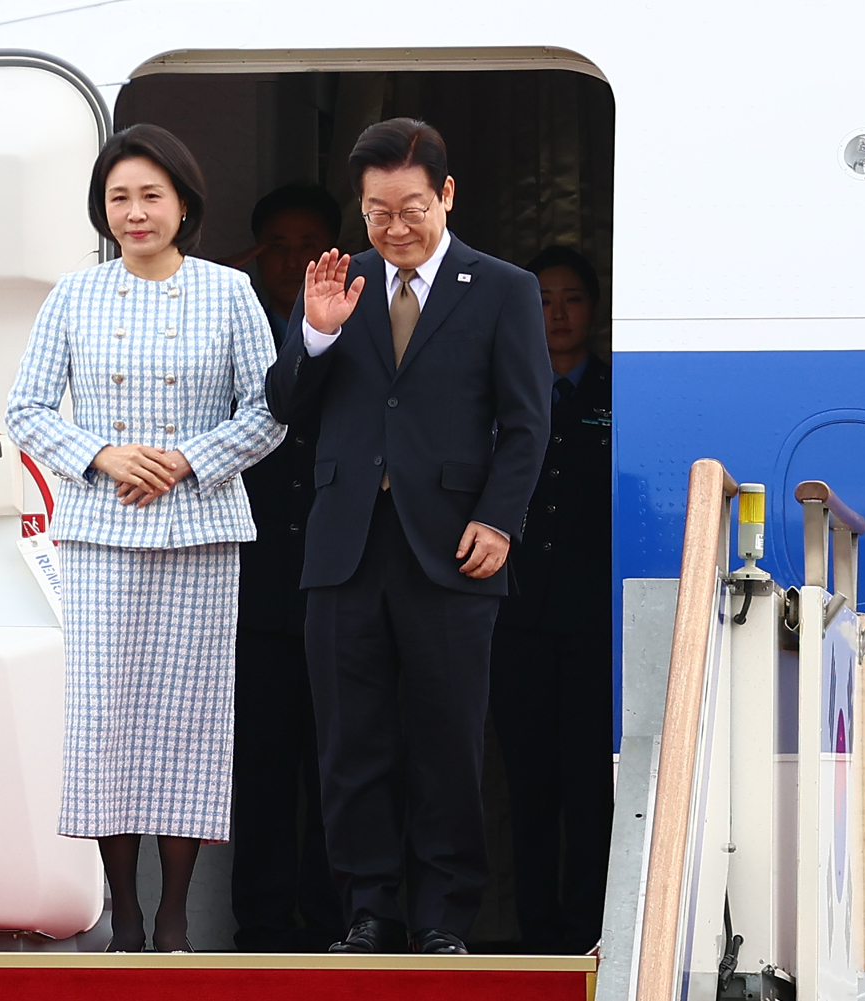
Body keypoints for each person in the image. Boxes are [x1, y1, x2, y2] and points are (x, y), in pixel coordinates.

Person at [265, 117, 550, 955]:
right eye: (378, 211)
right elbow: (286, 407)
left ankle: (442, 915)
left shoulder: (501, 287)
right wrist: (314, 332)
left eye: (412, 208)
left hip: (455, 542)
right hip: (346, 544)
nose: (394, 227)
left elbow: (526, 424)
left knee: (447, 738)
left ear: (447, 195)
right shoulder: (335, 281)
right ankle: (368, 908)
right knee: (351, 739)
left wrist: (500, 518)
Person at [5, 123, 284, 953]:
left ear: (185, 203)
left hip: (200, 535)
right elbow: (24, 407)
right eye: (119, 197)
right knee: (106, 721)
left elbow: (267, 410)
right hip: (102, 535)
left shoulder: (231, 293)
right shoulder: (73, 295)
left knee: (191, 722)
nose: (135, 213)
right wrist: (102, 453)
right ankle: (123, 913)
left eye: (150, 196)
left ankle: (174, 919)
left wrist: (188, 460)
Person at [230, 184, 346, 953]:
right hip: (253, 583)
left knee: (342, 767)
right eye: (278, 243)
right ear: (254, 255)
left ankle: (339, 924)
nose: (293, 257)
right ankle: (264, 928)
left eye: (311, 242)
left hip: (344, 583)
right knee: (261, 774)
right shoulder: (228, 327)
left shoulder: (359, 322)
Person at [490, 245, 612, 955]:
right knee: (528, 782)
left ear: (594, 309)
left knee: (589, 784)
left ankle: (588, 927)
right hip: (517, 614)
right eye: (542, 300)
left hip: (594, 619)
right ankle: (536, 933)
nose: (558, 313)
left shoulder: (620, 393)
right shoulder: (504, 388)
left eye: (571, 298)